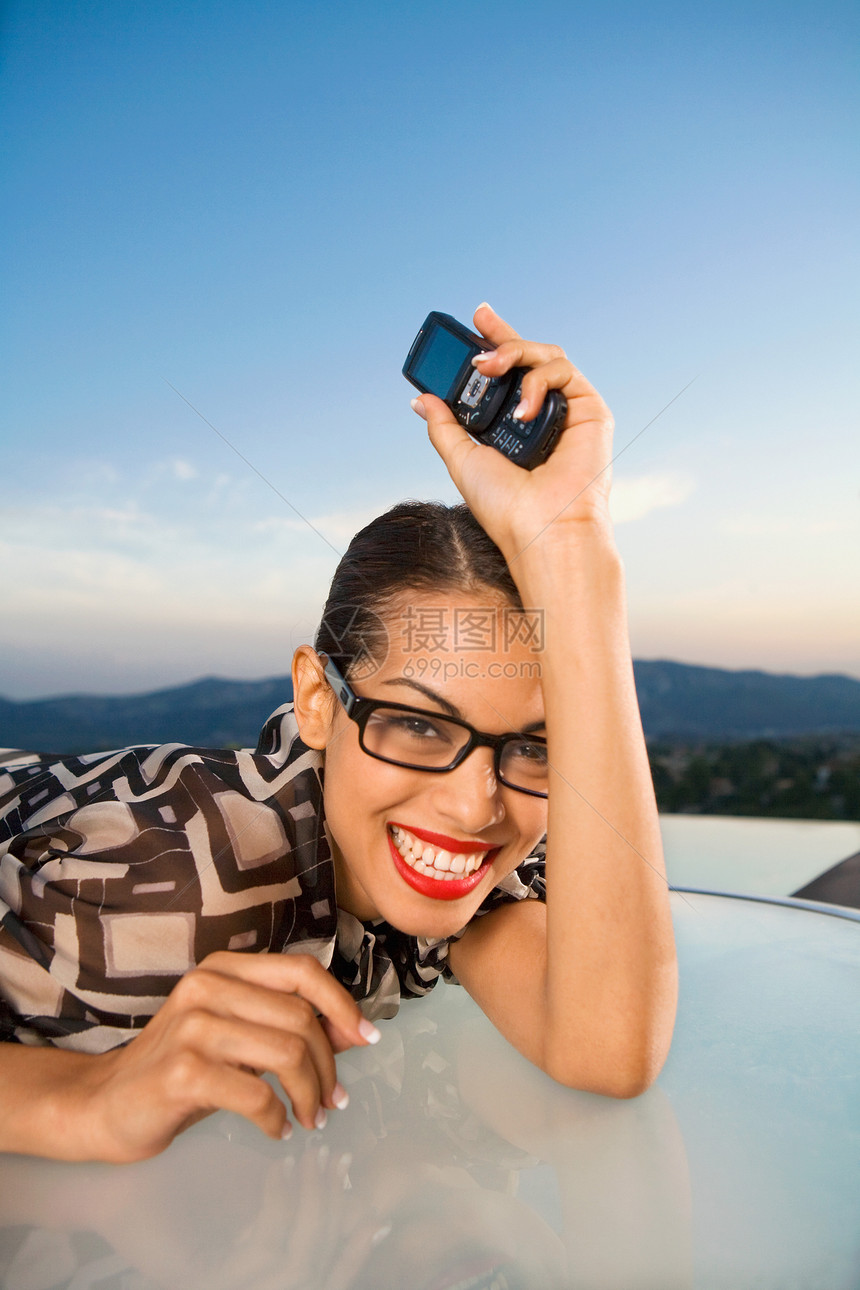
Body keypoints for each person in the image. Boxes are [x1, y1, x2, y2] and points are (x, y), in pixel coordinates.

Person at [0, 304, 678, 1163]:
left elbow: (606, 1049)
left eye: (537, 746)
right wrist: (80, 1102)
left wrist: (576, 545)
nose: (476, 806)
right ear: (316, 700)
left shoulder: (456, 875)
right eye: (418, 726)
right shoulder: (173, 885)